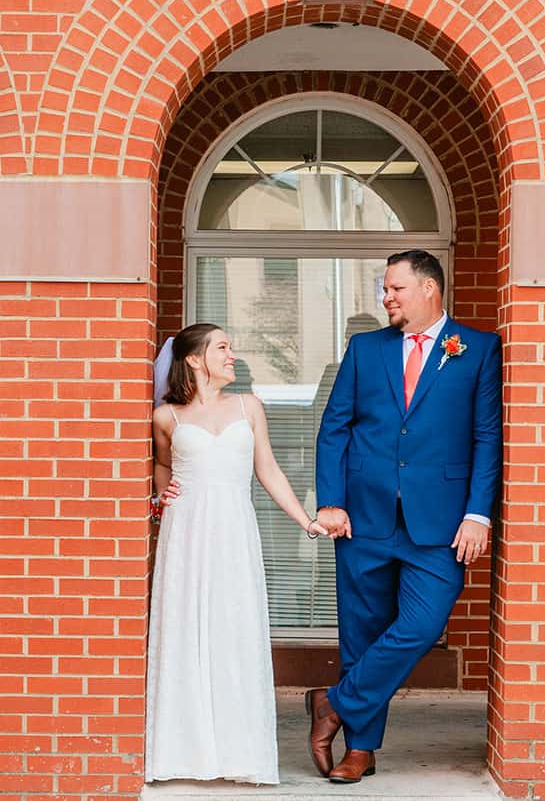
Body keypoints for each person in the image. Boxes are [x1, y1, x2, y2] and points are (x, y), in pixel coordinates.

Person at [306, 249, 502, 783]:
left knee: (422, 624)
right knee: (362, 635)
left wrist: (478, 514)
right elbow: (335, 427)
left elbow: (487, 436)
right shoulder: (365, 349)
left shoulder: (478, 349)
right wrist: (331, 500)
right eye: (384, 289)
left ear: (429, 290)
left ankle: (335, 703)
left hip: (439, 523)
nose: (386, 298)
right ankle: (360, 751)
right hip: (363, 519)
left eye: (395, 289)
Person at [145, 323, 327, 784]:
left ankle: (238, 752)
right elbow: (162, 465)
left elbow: (266, 468)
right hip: (185, 532)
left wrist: (306, 521)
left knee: (233, 625)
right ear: (193, 358)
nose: (232, 355)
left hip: (234, 530)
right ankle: (183, 753)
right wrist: (161, 500)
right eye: (222, 347)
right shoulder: (167, 416)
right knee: (186, 629)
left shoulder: (249, 407)